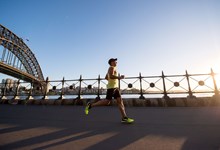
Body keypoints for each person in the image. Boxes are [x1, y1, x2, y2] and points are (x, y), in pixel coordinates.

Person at [85, 58, 134, 123]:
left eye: (116, 61)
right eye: (115, 61)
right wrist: (119, 77)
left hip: (115, 87)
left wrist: (111, 81)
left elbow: (106, 77)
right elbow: (111, 76)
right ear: (111, 62)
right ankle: (90, 105)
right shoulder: (111, 67)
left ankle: (124, 118)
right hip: (111, 88)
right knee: (107, 102)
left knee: (120, 102)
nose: (116, 62)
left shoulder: (111, 68)